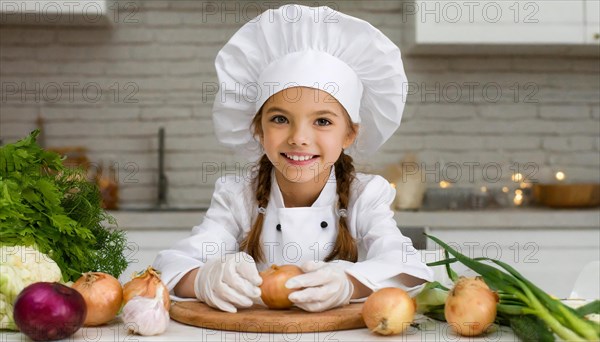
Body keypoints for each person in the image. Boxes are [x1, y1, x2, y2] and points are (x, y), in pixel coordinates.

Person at [153, 4, 433, 313]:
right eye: (280, 119)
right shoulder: (237, 196)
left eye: (322, 121)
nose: (299, 138)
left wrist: (348, 283)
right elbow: (170, 264)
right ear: (259, 129)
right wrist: (203, 279)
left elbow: (408, 268)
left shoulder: (364, 196)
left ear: (349, 134)